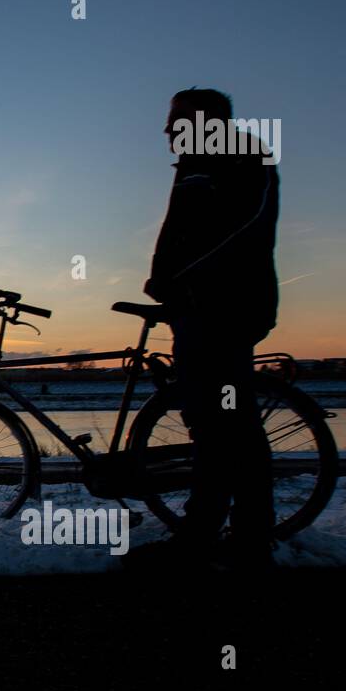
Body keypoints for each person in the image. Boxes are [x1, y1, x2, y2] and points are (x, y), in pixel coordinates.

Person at [128, 88, 280, 570]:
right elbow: (180, 231)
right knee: (212, 423)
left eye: (175, 119)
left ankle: (227, 538)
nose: (166, 130)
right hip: (196, 307)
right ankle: (227, 532)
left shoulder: (241, 156)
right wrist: (163, 278)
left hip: (225, 308)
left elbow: (245, 229)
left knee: (226, 426)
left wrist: (187, 280)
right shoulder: (198, 163)